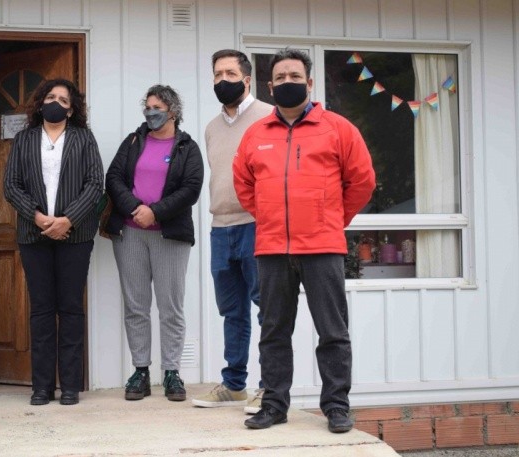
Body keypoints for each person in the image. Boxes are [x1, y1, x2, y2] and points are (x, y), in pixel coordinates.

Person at [233, 48, 375, 433]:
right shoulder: (255, 134)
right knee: (274, 331)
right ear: (269, 85)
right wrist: (270, 217)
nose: (287, 83)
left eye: (295, 77)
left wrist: (331, 218)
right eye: (280, 78)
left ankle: (336, 406)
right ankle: (274, 404)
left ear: (310, 83)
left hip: (323, 247)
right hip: (272, 249)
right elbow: (243, 184)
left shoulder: (338, 129)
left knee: (333, 331)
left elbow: (362, 181)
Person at [3, 78, 103, 406]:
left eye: (63, 99)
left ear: (72, 109)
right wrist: (38, 217)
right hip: (34, 235)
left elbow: (94, 184)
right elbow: (11, 185)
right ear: (40, 102)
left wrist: (67, 220)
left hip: (75, 236)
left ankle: (71, 386)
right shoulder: (24, 139)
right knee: (42, 310)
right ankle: (41, 387)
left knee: (71, 309)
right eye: (50, 97)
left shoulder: (84, 139)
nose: (55, 102)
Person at [105, 85, 204, 402]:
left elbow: (191, 188)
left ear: (172, 111)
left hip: (170, 235)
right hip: (130, 233)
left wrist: (156, 212)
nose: (151, 112)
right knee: (136, 306)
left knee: (170, 306)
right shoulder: (133, 141)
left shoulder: (187, 148)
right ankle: (140, 371)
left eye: (157, 107)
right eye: (147, 107)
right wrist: (137, 209)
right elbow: (114, 179)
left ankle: (172, 373)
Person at [192, 50, 273, 411]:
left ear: (247, 79)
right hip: (220, 228)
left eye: (230, 72)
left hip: (258, 225)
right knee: (232, 311)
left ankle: (270, 386)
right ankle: (234, 384)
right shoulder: (210, 128)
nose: (222, 79)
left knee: (266, 308)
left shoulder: (269, 117)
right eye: (217, 73)